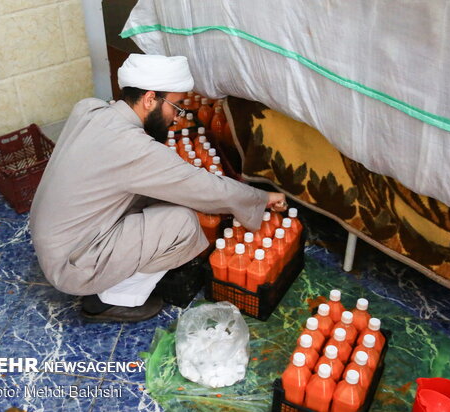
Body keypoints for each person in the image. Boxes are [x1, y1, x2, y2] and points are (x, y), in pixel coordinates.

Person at [29, 54, 286, 322]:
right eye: (175, 107)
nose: (177, 118)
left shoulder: (90, 108)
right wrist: (262, 197)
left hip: (54, 239)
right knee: (182, 223)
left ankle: (117, 277)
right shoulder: (130, 146)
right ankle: (111, 300)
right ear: (150, 99)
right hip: (73, 263)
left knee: (159, 196)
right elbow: (201, 187)